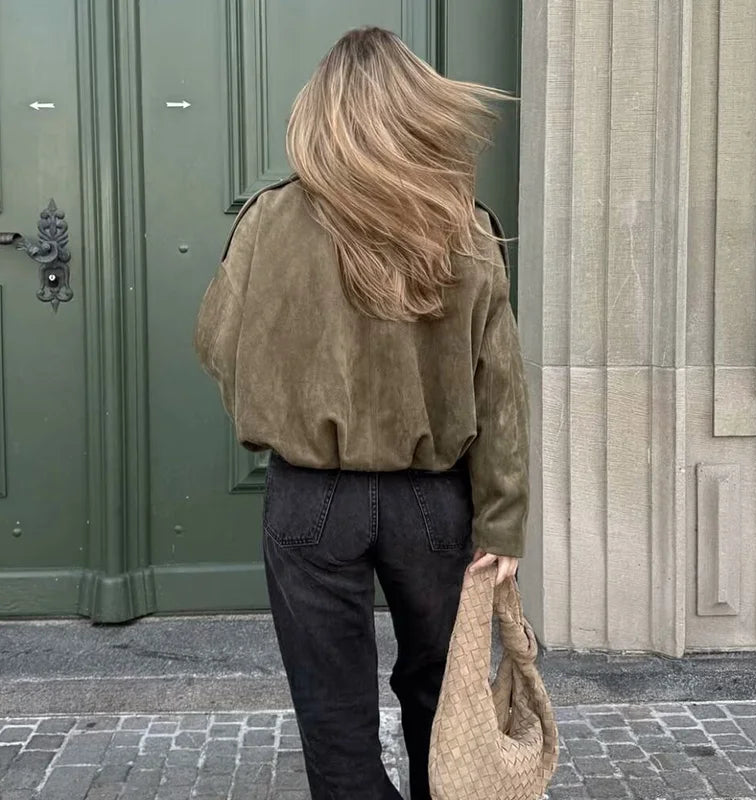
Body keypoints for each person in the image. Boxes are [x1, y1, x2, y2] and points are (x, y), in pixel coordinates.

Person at [193, 25, 529, 800]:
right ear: (416, 110)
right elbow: (501, 387)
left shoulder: (267, 221)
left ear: (320, 113)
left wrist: (282, 408)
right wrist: (504, 520)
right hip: (431, 500)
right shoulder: (462, 225)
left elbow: (217, 345)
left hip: (311, 499)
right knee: (444, 698)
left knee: (333, 710)